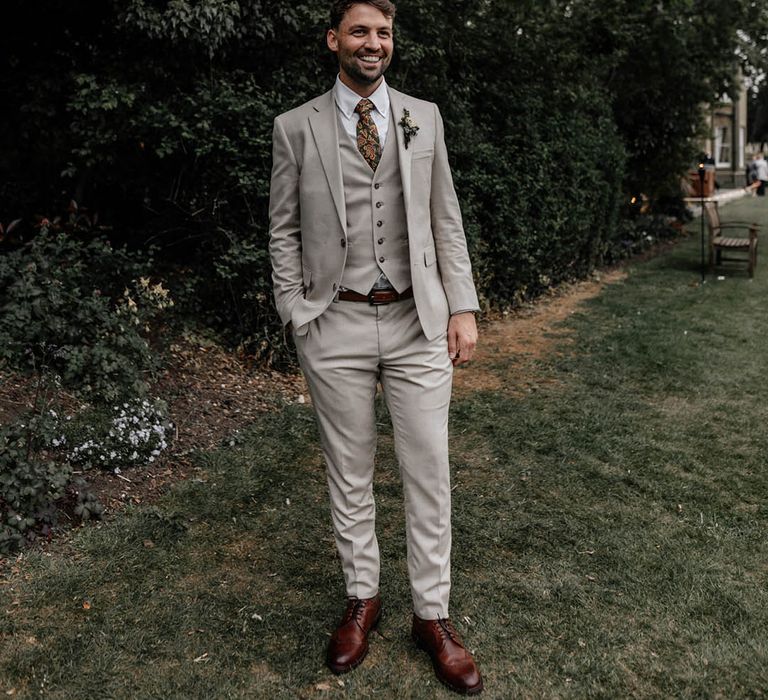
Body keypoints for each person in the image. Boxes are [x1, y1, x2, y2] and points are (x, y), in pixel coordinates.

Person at [268, 0, 482, 694]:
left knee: (429, 469)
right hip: (335, 323)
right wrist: (295, 310)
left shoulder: (424, 116)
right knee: (348, 470)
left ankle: (433, 614)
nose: (373, 43)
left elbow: (445, 217)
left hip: (419, 320)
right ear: (335, 40)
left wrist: (463, 306)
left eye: (383, 33)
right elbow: (281, 229)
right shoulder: (295, 127)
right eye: (360, 31)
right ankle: (363, 597)